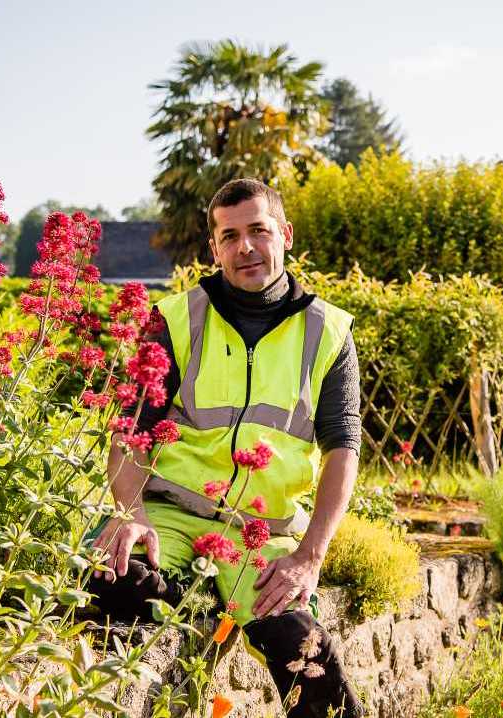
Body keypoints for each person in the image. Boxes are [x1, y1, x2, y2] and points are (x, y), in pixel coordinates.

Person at [87, 179, 366, 717]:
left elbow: (343, 450)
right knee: (106, 581)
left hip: (259, 536)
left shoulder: (328, 331)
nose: (246, 247)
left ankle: (226, 599)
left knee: (301, 651)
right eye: (230, 235)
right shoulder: (174, 318)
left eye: (258, 231)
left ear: (284, 235)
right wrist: (130, 514)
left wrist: (309, 556)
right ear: (213, 249)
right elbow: (130, 429)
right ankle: (189, 594)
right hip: (170, 516)